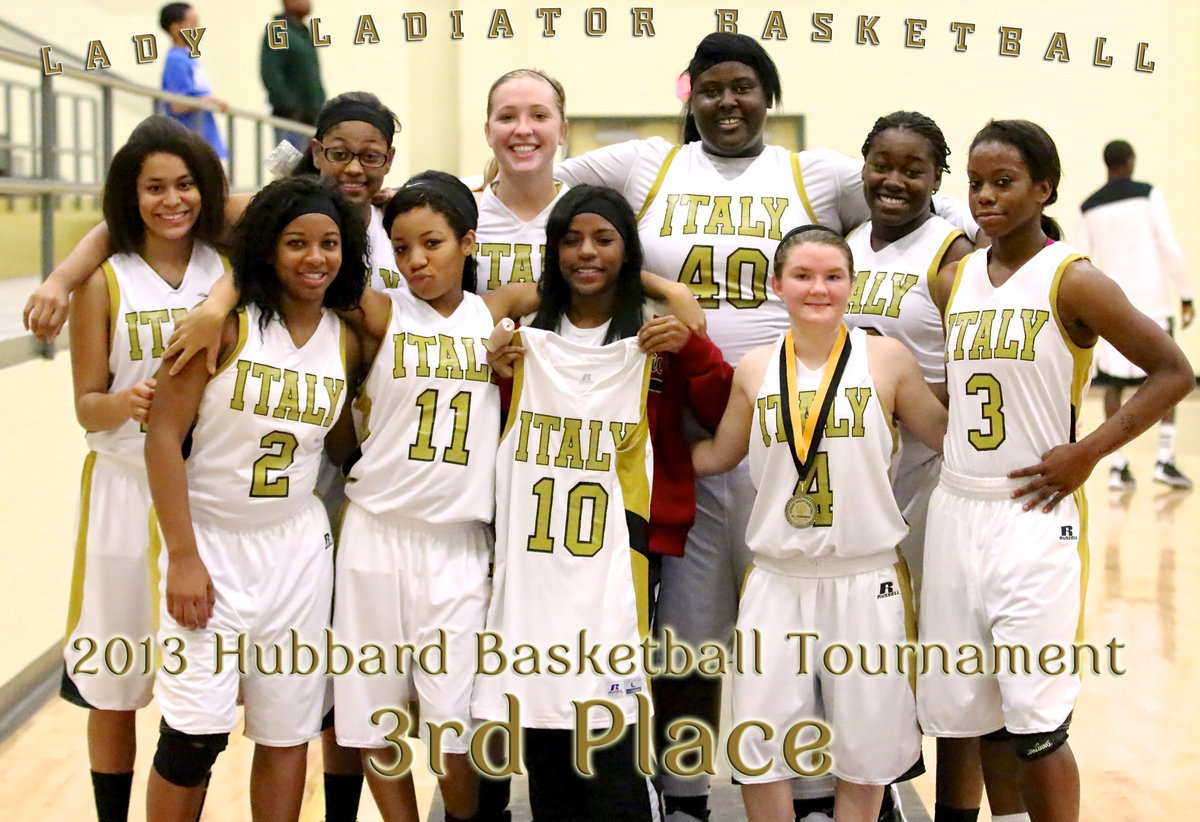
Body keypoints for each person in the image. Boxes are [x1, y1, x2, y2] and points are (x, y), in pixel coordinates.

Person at [552, 33, 976, 821]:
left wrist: (990, 244)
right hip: (695, 422)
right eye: (710, 88)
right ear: (690, 97)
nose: (727, 102)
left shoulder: (813, 173)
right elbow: (545, 185)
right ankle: (684, 794)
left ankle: (822, 791)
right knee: (693, 628)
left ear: (768, 95)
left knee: (814, 616)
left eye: (743, 86)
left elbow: (920, 192)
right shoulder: (648, 163)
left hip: (801, 419)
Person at [919, 120, 1193, 822]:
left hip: (1034, 515)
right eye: (976, 183)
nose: (985, 196)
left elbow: (1173, 371)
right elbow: (973, 388)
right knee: (968, 712)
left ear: (1044, 188)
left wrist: (1090, 451)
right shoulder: (953, 282)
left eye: (1003, 182)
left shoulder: (1074, 279)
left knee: (1035, 725)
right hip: (956, 510)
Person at [479, 185, 732, 822]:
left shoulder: (652, 330)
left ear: (628, 249)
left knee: (609, 725)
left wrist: (691, 345)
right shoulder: (527, 335)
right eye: (571, 239)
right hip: (536, 551)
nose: (585, 252)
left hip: (622, 551)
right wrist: (497, 372)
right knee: (541, 717)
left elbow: (720, 409)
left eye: (603, 239)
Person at [691, 225, 948, 822]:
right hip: (776, 578)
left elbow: (945, 437)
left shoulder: (886, 357)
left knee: (867, 744)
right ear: (777, 285)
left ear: (851, 285)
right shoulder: (755, 367)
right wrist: (639, 461)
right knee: (760, 745)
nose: (818, 288)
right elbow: (721, 454)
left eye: (833, 276)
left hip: (866, 577)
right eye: (803, 276)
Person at [143, 175, 364, 822]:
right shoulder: (225, 328)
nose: (315, 257)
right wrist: (182, 555)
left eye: (328, 243)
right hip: (210, 542)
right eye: (296, 242)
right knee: (192, 739)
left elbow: (346, 446)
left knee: (287, 730)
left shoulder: (345, 339)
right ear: (268, 249)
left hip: (295, 550)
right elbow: (162, 438)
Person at [61, 115, 227, 822]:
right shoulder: (105, 281)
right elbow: (85, 407)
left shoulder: (225, 267)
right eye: (154, 187)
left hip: (208, 496)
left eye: (185, 184)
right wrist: (121, 401)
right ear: (129, 197)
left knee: (198, 691)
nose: (171, 200)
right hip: (124, 494)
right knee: (112, 679)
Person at [844, 110, 982, 822]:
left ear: (937, 179)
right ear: (863, 164)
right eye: (882, 164)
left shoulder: (952, 255)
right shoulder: (843, 246)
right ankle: (887, 790)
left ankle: (953, 808)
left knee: (942, 656)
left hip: (929, 478)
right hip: (855, 481)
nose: (894, 181)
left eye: (913, 169)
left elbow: (980, 364)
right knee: (870, 654)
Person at [1074, 139, 1196, 490]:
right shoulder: (1148, 194)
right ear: (1130, 162)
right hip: (1153, 301)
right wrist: (1186, 294)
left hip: (1111, 306)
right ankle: (1165, 459)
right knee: (1169, 374)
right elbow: (1169, 245)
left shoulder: (1087, 207)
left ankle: (1117, 464)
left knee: (1112, 386)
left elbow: (1082, 258)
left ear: (1106, 164)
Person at [474, 68, 570, 294]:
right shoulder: (460, 216)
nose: (523, 129)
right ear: (488, 132)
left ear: (563, 132)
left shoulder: (586, 216)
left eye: (539, 116)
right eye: (507, 117)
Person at [157, 3, 228, 160]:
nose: (198, 29)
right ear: (176, 29)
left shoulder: (189, 59)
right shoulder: (175, 60)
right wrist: (208, 100)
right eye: (193, 23)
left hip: (205, 138)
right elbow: (176, 104)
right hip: (190, 142)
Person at [260, 0, 325, 149]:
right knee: (290, 167)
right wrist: (290, 106)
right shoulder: (278, 31)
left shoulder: (302, 32)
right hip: (291, 119)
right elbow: (270, 73)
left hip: (312, 118)